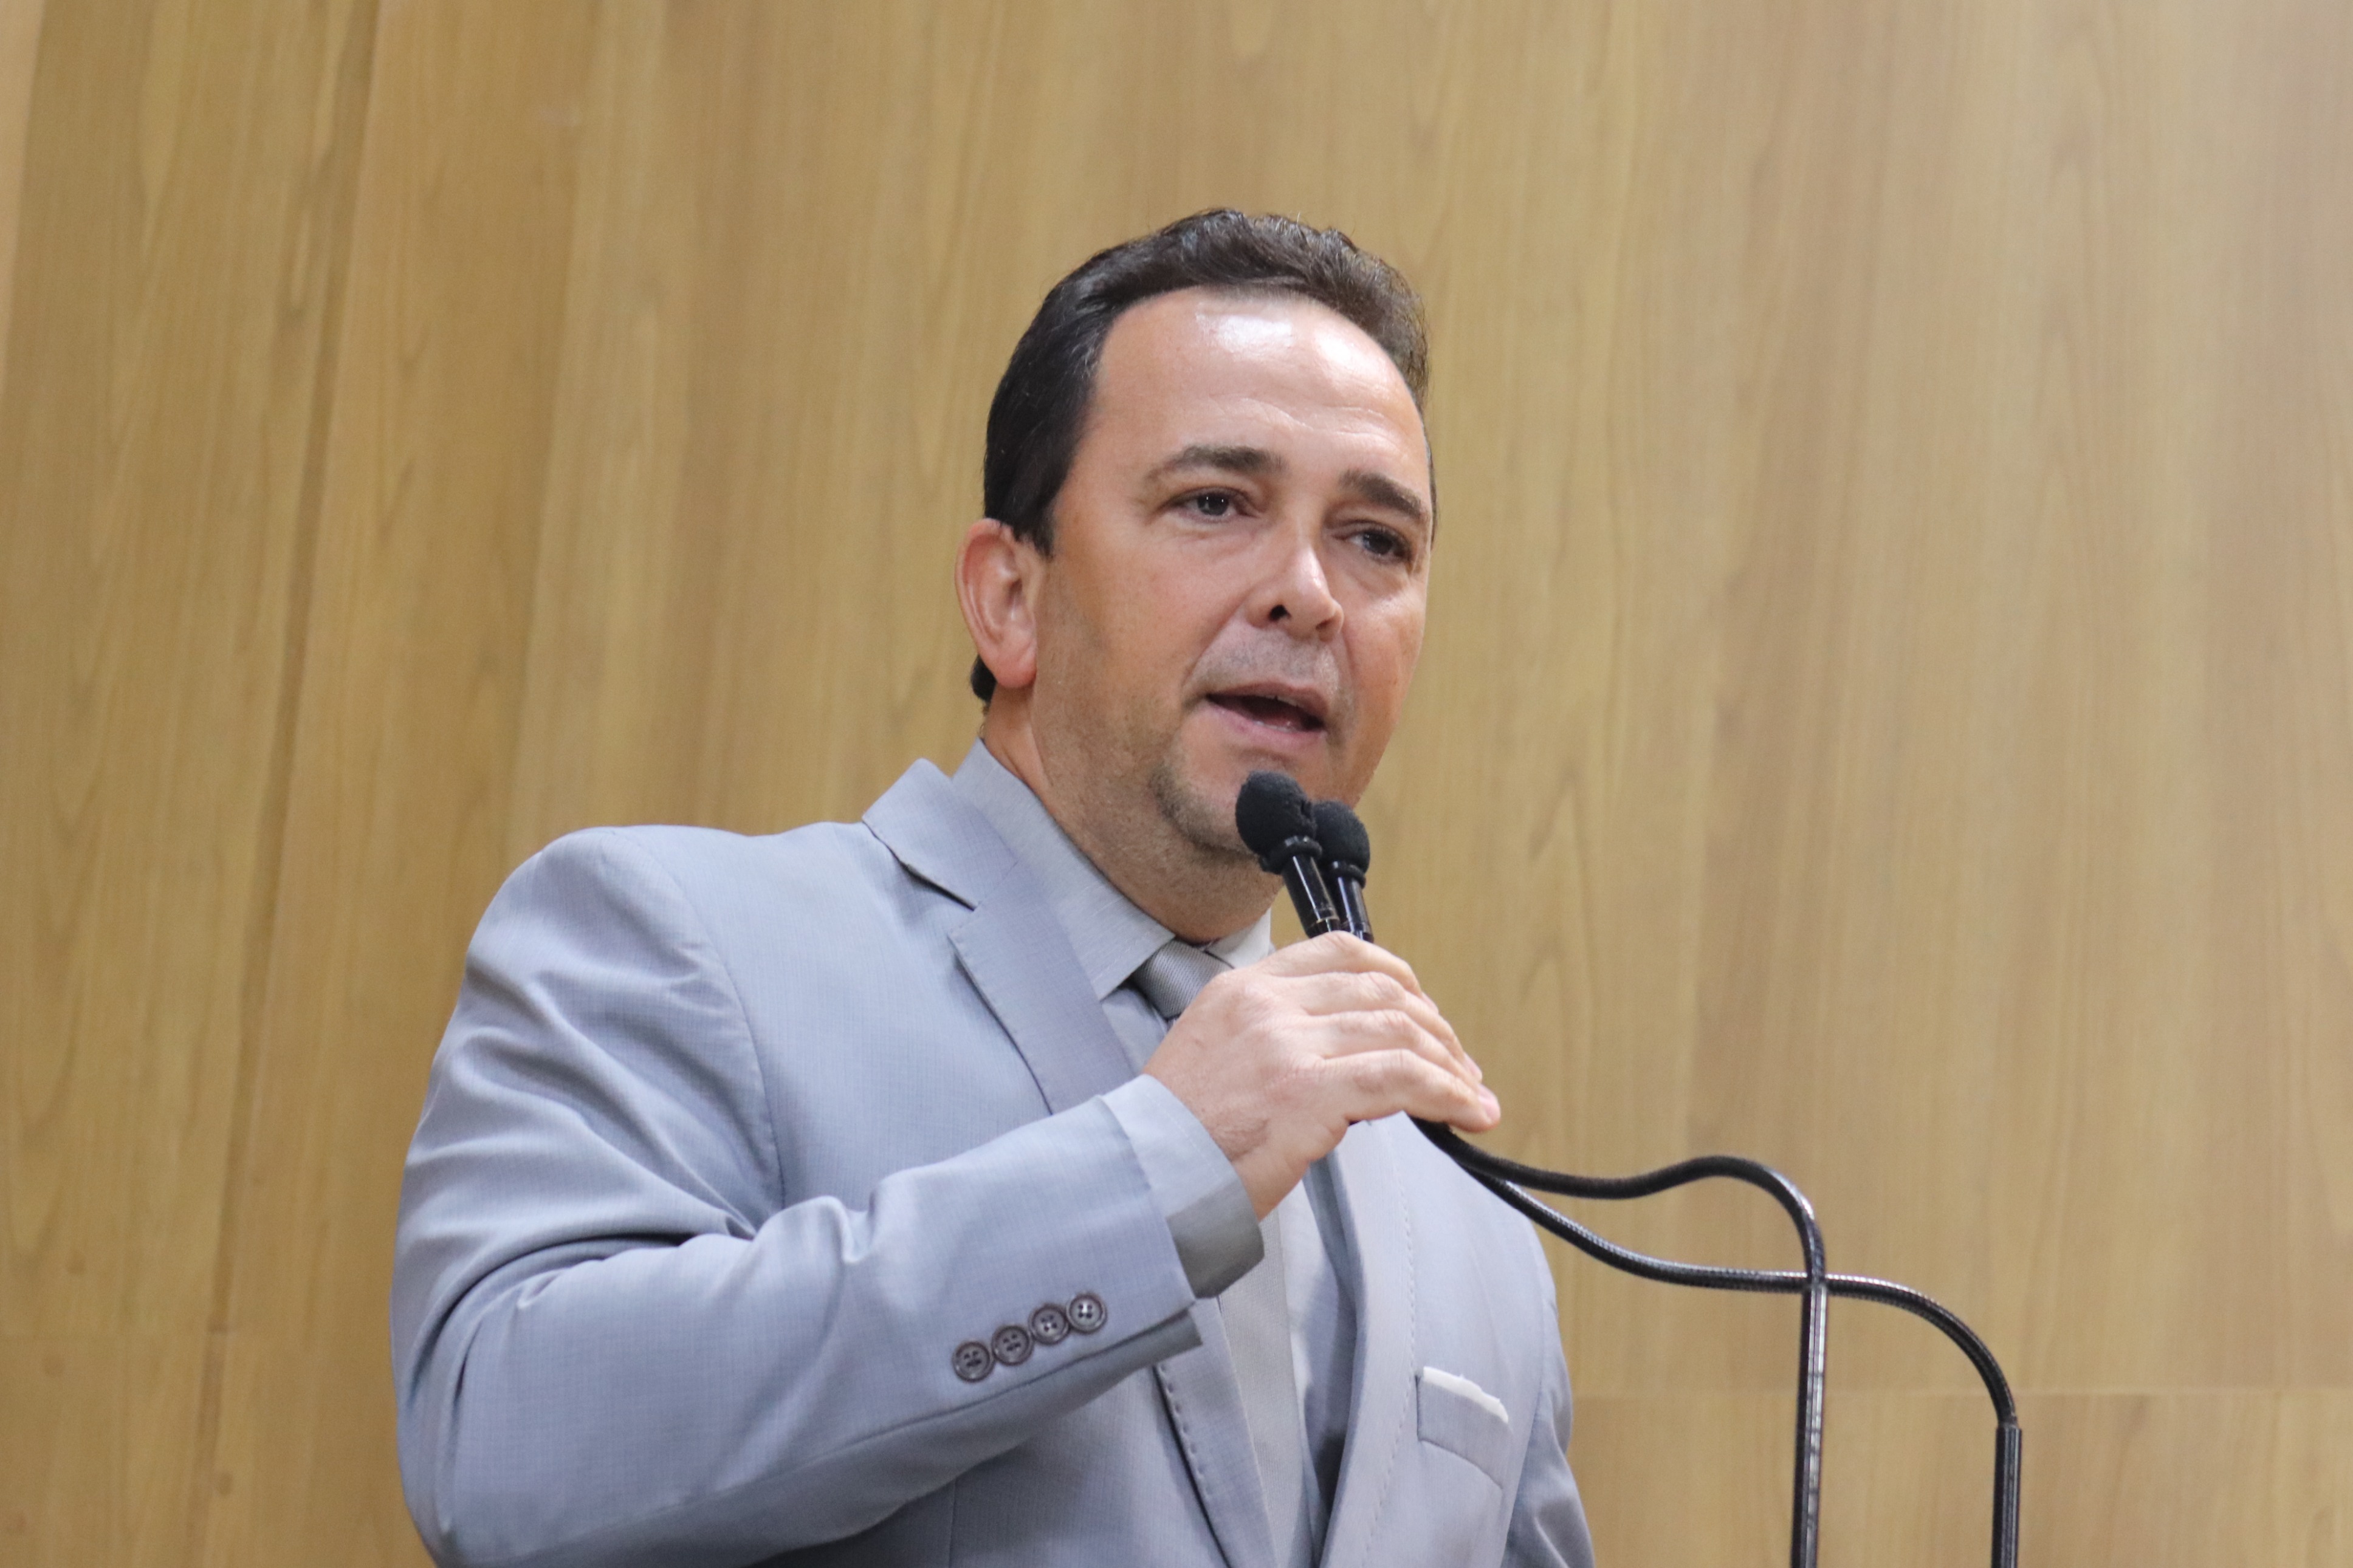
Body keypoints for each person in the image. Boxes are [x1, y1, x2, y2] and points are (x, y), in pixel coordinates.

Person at [391, 210, 1596, 1568]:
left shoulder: (1465, 1207)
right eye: (1215, 504)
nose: (1312, 593)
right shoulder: (677, 939)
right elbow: (506, 1446)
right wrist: (1161, 1168)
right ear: (1009, 599)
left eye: (1376, 538)